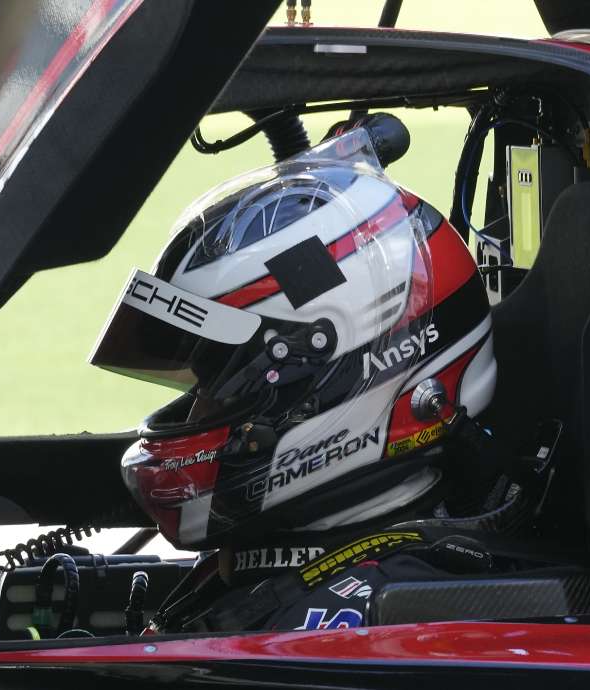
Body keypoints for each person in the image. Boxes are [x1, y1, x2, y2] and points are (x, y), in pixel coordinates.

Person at [90, 116, 540, 632]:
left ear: (342, 373)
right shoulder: (263, 567)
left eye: (220, 386)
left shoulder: (365, 623)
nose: (198, 409)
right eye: (205, 384)